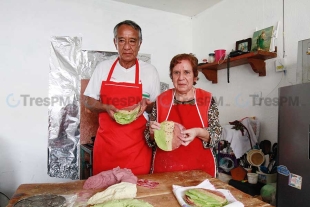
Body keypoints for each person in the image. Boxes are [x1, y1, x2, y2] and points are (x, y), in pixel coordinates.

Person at [84, 20, 160, 175]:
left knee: (138, 194)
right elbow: (88, 101)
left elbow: (157, 108)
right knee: (103, 195)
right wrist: (104, 107)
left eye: (132, 41)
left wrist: (148, 104)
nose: (127, 46)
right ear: (115, 42)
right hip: (106, 150)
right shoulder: (103, 68)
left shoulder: (150, 72)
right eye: (121, 40)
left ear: (139, 43)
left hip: (137, 151)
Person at [144, 53, 222, 177]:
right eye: (176, 73)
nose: (181, 78)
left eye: (186, 72)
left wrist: (198, 132)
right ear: (172, 76)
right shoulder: (161, 101)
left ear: (195, 76)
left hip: (201, 172)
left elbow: (216, 134)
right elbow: (149, 139)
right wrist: (152, 133)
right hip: (165, 171)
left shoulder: (206, 99)